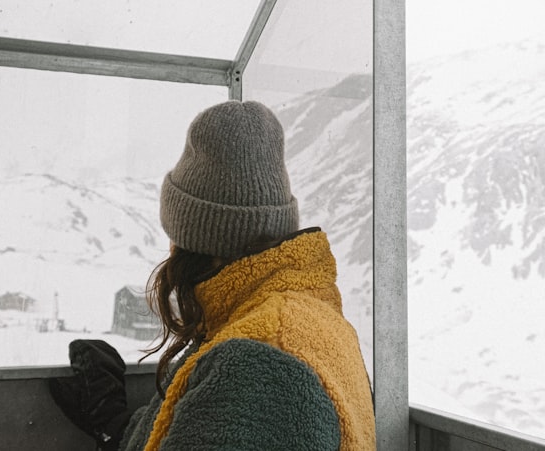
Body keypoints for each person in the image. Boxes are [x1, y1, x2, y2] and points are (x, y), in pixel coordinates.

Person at [49, 100, 375, 450]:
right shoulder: (289, 323)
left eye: (175, 234)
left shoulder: (258, 365)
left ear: (201, 241)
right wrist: (115, 425)